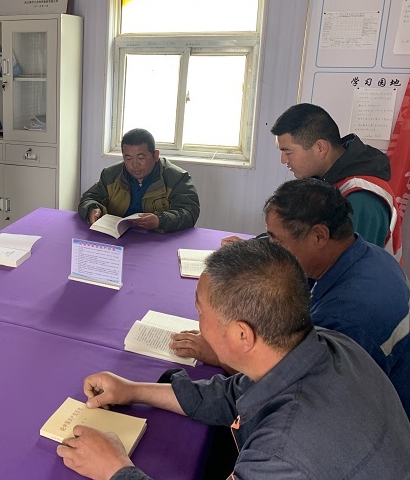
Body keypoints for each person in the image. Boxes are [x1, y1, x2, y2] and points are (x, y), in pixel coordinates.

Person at [57, 241, 410, 480]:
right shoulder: (327, 344)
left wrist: (115, 469)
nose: (197, 321)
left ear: (243, 335)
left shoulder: (282, 454)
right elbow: (232, 394)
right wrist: (133, 390)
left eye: (200, 311)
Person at [173, 179, 410, 417]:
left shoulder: (343, 316)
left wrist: (222, 356)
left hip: (377, 411)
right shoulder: (369, 254)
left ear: (319, 236)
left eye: (277, 240)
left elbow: (291, 387)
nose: (272, 247)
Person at [270, 102, 401, 259]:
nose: (283, 160)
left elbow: (351, 265)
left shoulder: (361, 196)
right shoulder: (325, 181)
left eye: (288, 153)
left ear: (320, 148)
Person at [77, 128, 199, 233]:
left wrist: (160, 220)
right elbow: (89, 198)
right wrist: (92, 209)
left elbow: (189, 211)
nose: (134, 165)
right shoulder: (111, 175)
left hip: (158, 238)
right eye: (128, 158)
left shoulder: (177, 178)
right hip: (118, 237)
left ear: (155, 155)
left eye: (141, 158)